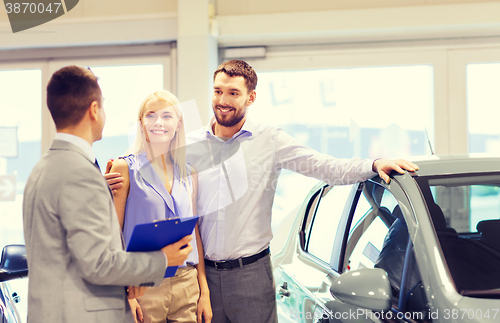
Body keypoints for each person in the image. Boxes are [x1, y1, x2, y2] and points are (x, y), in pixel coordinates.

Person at [107, 60, 418, 323]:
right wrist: (110, 180)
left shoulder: (270, 140)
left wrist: (373, 163)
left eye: (233, 93)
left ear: (251, 98)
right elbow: (152, 169)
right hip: (201, 279)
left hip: (250, 276)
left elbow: (324, 166)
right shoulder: (191, 145)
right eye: (217, 92)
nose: (223, 100)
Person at [22, 66, 193, 323]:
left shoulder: (44, 167)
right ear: (94, 110)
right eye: (103, 106)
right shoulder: (80, 174)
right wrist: (162, 260)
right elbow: (98, 263)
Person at [107, 90, 212, 323]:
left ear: (178, 123)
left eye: (167, 116)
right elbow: (113, 236)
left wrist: (204, 291)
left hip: (187, 283)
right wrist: (126, 293)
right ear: (141, 123)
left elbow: (194, 233)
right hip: (143, 286)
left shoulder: (189, 173)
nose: (158, 122)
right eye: (150, 116)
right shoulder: (123, 168)